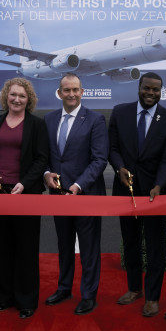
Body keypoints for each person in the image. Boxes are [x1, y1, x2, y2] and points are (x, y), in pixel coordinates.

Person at [108, 72, 166, 317]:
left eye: (156, 90)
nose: (151, 93)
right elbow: (113, 148)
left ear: (161, 91)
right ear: (138, 88)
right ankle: (134, 288)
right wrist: (120, 168)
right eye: (146, 88)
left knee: (155, 244)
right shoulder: (120, 112)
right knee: (130, 242)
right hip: (125, 190)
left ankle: (153, 297)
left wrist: (160, 184)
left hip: (155, 194)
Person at [0, 77, 49, 319]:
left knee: (26, 249)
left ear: (28, 99)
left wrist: (25, 183)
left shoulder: (37, 125)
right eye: (13, 95)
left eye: (22, 95)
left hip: (26, 194)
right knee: (3, 247)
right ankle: (4, 297)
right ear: (6, 96)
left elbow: (42, 159)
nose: (17, 99)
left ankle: (27, 300)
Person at [44, 73, 108, 315]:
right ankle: (64, 288)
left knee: (89, 247)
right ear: (59, 93)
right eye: (66, 90)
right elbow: (46, 157)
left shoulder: (95, 120)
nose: (71, 94)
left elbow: (99, 159)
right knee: (64, 244)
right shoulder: (48, 120)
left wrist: (78, 185)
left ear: (82, 92)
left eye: (75, 90)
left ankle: (89, 295)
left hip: (86, 195)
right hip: (58, 196)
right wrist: (46, 173)